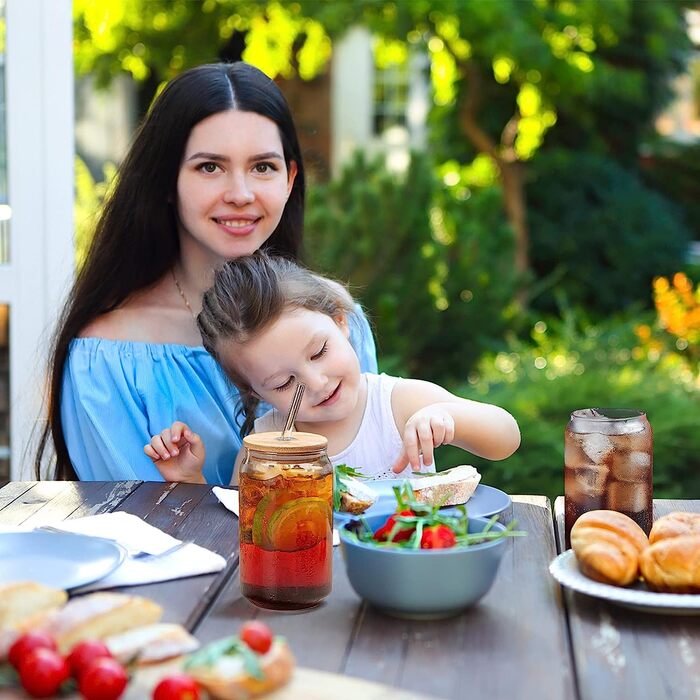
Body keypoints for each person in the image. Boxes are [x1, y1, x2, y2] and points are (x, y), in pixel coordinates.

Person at [36, 62, 377, 483]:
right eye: (210, 167)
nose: (240, 194)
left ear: (290, 179)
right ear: (165, 182)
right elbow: (132, 531)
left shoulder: (338, 319)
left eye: (263, 167)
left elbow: (368, 484)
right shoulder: (106, 360)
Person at [144, 253, 521, 484]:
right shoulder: (268, 442)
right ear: (254, 392)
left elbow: (506, 438)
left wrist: (446, 416)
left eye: (320, 352)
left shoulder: (399, 403)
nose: (316, 382)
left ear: (340, 322)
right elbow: (239, 523)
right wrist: (191, 479)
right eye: (283, 382)